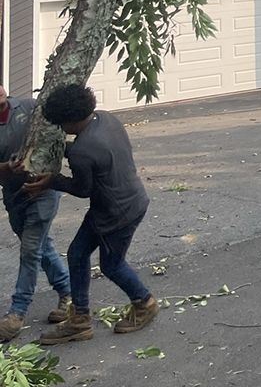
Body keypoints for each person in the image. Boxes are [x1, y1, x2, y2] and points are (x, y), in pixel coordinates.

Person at [23, 84, 157, 343]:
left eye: (62, 125)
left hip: (116, 214)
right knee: (77, 253)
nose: (62, 130)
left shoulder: (83, 151)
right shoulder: (106, 118)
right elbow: (94, 153)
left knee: (112, 265)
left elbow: (82, 189)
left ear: (71, 119)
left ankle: (144, 303)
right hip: (128, 200)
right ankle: (80, 319)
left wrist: (51, 180)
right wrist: (64, 149)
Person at [0, 85, 72, 342]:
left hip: (43, 190)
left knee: (30, 249)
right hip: (14, 195)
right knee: (42, 247)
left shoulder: (30, 108)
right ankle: (68, 294)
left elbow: (55, 135)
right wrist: (6, 168)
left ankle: (16, 313)